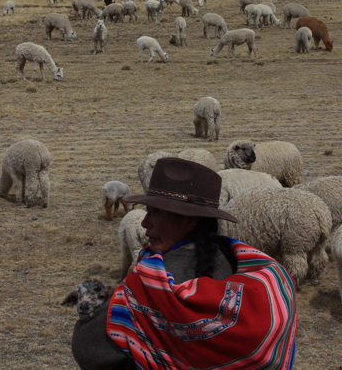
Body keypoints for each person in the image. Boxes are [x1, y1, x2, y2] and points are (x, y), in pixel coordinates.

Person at [71, 157, 297, 370]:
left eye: (156, 212)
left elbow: (89, 349)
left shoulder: (152, 284)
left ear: (190, 219)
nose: (145, 222)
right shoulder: (253, 279)